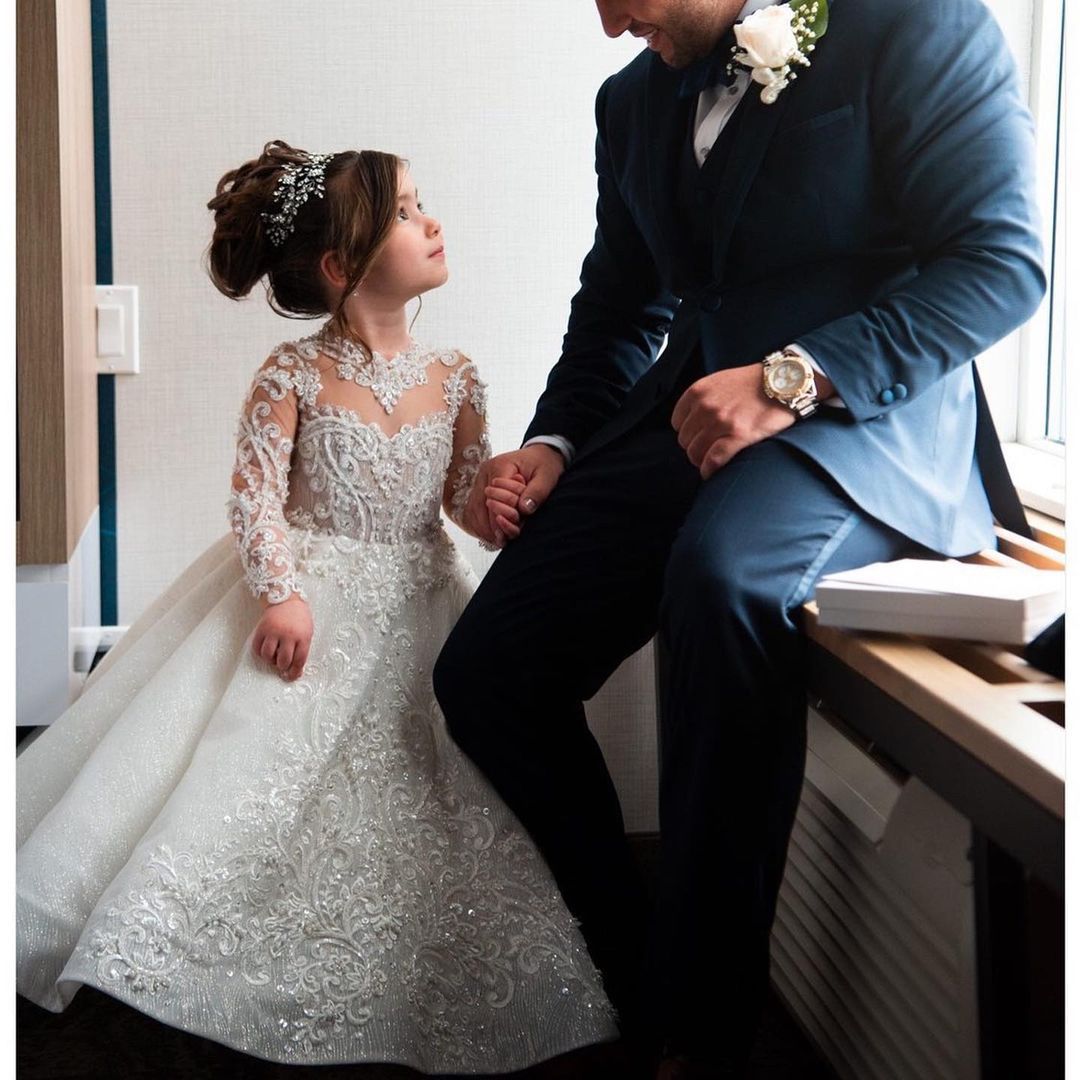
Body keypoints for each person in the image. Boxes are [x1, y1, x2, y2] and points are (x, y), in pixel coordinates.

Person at [433, 0, 1045, 1076]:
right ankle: (636, 975)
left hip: (862, 425)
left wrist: (795, 378)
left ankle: (703, 1037)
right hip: (681, 421)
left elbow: (1001, 263)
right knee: (487, 670)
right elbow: (619, 307)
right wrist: (555, 441)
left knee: (721, 581)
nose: (609, 24)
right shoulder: (629, 102)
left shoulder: (917, 24)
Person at [16, 140, 618, 1072]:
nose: (431, 221)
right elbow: (254, 496)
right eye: (405, 212)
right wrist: (283, 594)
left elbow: (458, 499)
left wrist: (492, 504)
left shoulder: (455, 375)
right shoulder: (293, 372)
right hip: (312, 600)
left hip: (419, 599)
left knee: (433, 784)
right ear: (342, 265)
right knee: (254, 774)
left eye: (422, 202)